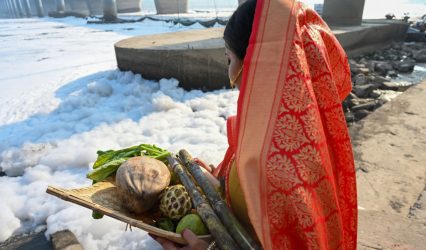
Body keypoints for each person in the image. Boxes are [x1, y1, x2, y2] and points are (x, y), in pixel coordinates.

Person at [153, 0, 357, 249]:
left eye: (229, 59)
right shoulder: (300, 135)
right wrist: (220, 183)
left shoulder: (276, 165)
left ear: (258, 64)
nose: (229, 74)